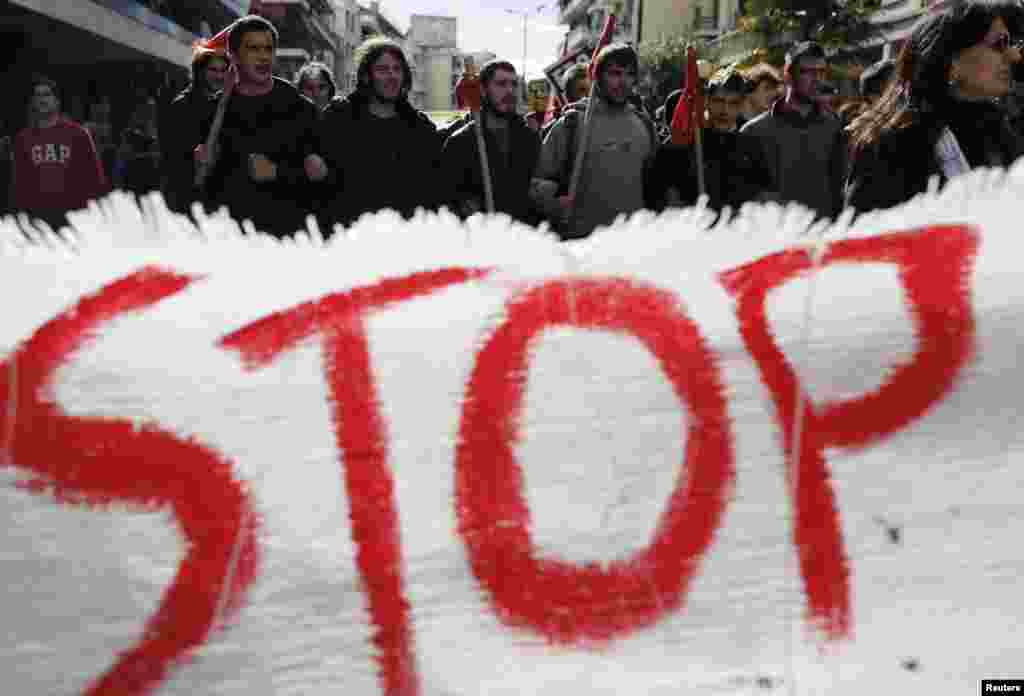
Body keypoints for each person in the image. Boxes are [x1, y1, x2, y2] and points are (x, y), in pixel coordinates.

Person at [846, 2, 1024, 214]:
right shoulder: (893, 147)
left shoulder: (1000, 131)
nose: (1014, 55)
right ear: (951, 63)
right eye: (1000, 43)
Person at [195, 15, 325, 238]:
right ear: (234, 55)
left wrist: (277, 173)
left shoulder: (301, 109)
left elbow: (325, 179)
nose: (263, 56)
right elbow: (197, 186)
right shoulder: (213, 110)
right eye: (253, 49)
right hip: (231, 239)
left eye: (268, 49)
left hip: (287, 239)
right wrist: (202, 164)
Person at [531, 43, 659, 240]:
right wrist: (555, 203)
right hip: (580, 249)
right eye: (615, 73)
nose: (623, 81)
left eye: (629, 74)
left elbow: (654, 187)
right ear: (597, 76)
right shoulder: (571, 124)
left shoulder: (644, 125)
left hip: (632, 247)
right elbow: (537, 183)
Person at [319, 37, 442, 229]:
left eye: (397, 69)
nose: (392, 76)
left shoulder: (420, 129)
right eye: (382, 69)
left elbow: (433, 192)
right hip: (349, 240)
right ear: (367, 76)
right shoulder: (338, 119)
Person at [740, 41, 847, 220]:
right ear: (788, 75)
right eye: (809, 72)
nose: (818, 79)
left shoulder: (833, 126)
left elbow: (839, 188)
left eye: (821, 72)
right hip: (777, 237)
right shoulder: (753, 132)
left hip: (822, 237)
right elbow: (747, 197)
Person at [441, 60, 540, 224]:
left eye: (514, 84)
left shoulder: (528, 137)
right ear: (483, 90)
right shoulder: (460, 143)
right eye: (501, 84)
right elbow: (447, 202)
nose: (510, 90)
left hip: (522, 236)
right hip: (480, 238)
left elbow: (535, 188)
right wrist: (463, 206)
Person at [651, 88, 776, 216]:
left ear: (741, 105)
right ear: (707, 102)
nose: (724, 110)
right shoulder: (680, 151)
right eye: (718, 101)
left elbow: (765, 195)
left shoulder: (750, 145)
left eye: (733, 103)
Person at [11, 75, 109, 230]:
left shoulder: (78, 134)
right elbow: (20, 182)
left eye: (47, 94)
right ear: (33, 103)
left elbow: (94, 179)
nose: (42, 99)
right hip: (38, 219)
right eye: (38, 95)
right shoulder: (23, 138)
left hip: (73, 218)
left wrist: (93, 218)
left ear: (57, 101)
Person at [161, 42, 229, 213]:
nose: (219, 76)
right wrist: (193, 155)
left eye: (223, 71)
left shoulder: (226, 104)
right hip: (188, 199)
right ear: (200, 71)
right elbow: (170, 156)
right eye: (213, 70)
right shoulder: (182, 105)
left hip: (220, 200)